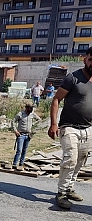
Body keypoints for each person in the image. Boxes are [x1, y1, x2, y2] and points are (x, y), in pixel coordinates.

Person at [48, 46, 92, 210]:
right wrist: (53, 124)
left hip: (88, 128)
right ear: (85, 59)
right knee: (70, 159)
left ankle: (69, 188)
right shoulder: (73, 78)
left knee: (80, 160)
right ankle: (61, 193)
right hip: (69, 127)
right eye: (91, 59)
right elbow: (56, 100)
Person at [12, 103, 41, 168]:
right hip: (21, 135)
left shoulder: (32, 114)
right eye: (30, 108)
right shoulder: (20, 114)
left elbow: (39, 120)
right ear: (27, 108)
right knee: (19, 150)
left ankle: (21, 163)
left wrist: (33, 125)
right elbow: (13, 121)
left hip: (28, 135)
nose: (31, 109)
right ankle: (14, 164)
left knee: (24, 150)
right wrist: (15, 131)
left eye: (32, 108)